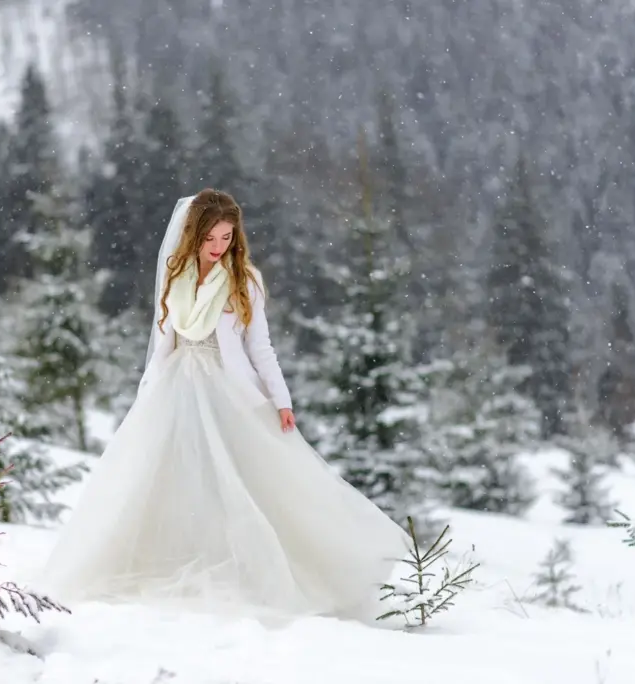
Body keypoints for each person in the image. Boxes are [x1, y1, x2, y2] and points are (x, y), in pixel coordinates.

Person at [40, 189, 410, 623]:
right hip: (178, 384)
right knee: (170, 477)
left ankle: (258, 569)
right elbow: (164, 342)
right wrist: (146, 395)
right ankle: (172, 559)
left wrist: (281, 400)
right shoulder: (176, 277)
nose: (219, 247)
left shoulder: (243, 280)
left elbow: (261, 347)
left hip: (229, 389)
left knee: (243, 477)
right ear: (193, 235)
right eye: (211, 238)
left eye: (227, 238)